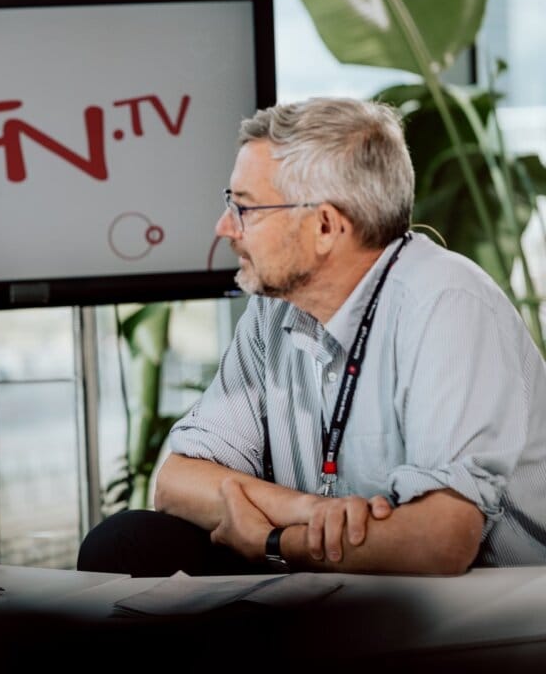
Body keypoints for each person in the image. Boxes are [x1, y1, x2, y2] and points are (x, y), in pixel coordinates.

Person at [78, 97, 546, 578]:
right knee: (126, 542)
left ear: (325, 225)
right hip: (351, 582)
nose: (224, 228)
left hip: (487, 607)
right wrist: (308, 511)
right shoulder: (273, 310)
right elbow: (177, 482)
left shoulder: (446, 302)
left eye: (246, 208)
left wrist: (272, 541)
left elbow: (439, 541)